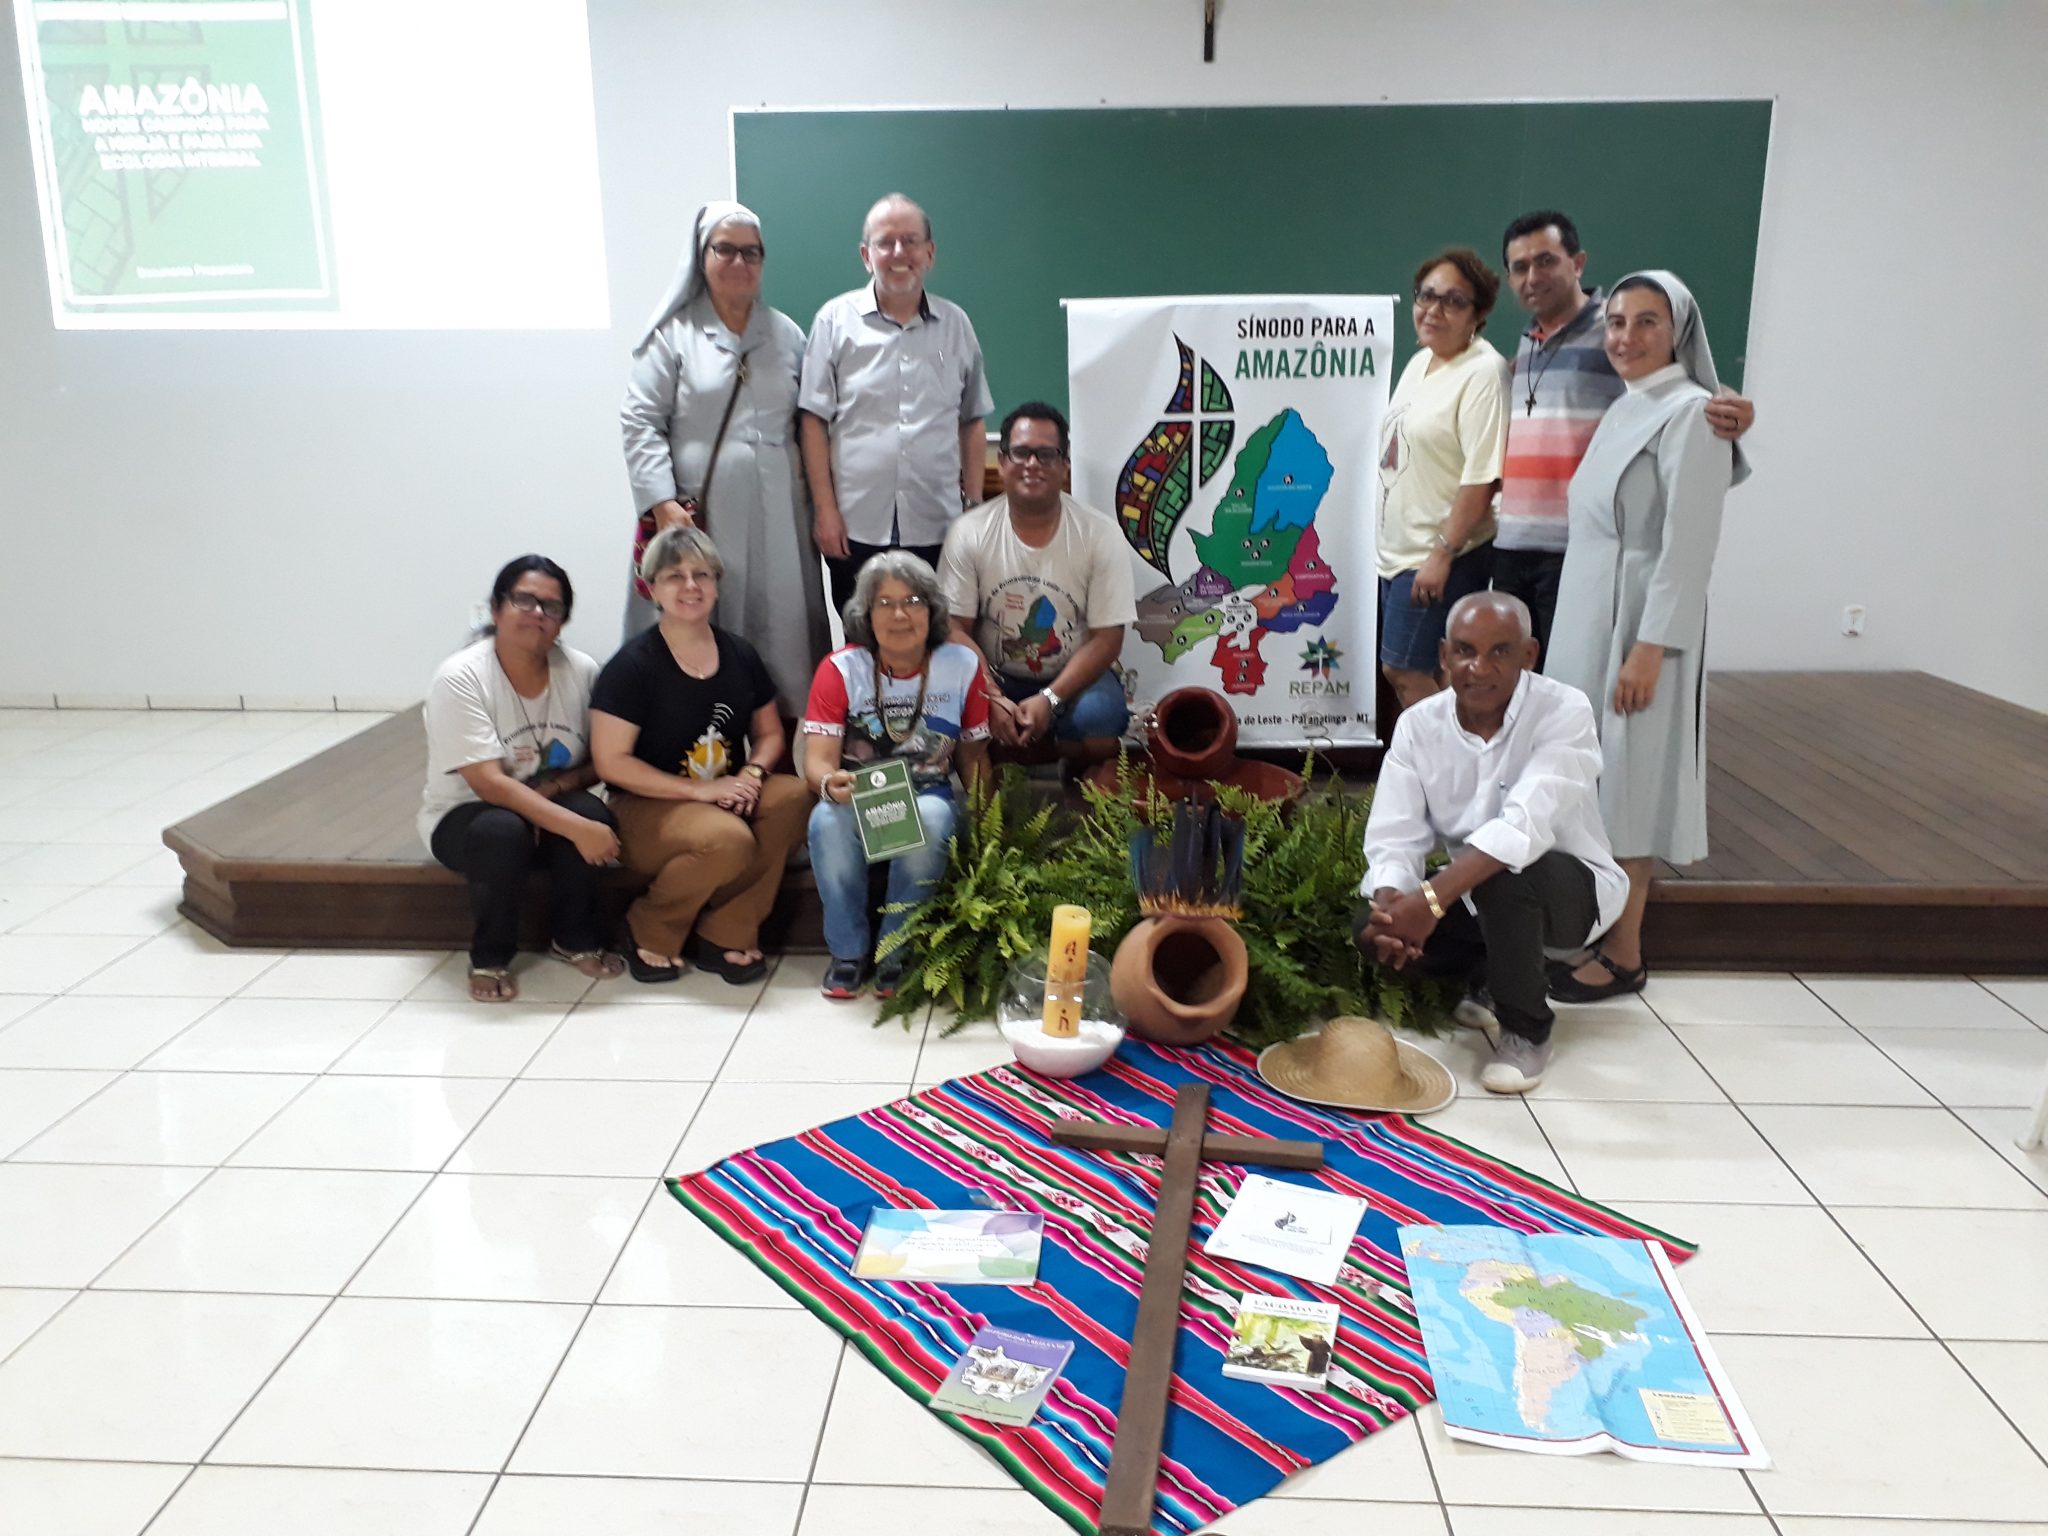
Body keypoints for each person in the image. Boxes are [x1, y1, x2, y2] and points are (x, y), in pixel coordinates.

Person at [1545, 272, 1736, 1003]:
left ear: (1679, 331)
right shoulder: (1632, 406)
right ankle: (1589, 925)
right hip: (1590, 613)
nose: (1625, 336)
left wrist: (1651, 646)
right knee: (1593, 777)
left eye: (1646, 322)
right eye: (1616, 321)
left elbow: (1689, 546)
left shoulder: (1694, 414)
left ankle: (1625, 952)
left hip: (1637, 624)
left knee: (1631, 780)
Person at [1357, 592, 1627, 1094]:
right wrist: (1394, 902)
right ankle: (1489, 974)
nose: (1479, 668)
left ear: (1529, 655)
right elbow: (1395, 834)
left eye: (1499, 652)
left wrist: (1432, 900)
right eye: (1464, 651)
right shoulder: (1419, 726)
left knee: (1504, 877)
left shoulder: (1564, 711)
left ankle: (1527, 1030)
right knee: (1370, 928)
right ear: (1443, 656)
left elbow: (1523, 827)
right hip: (1476, 896)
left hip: (1570, 893)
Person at [1494, 210, 1754, 666]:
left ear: (1577, 263)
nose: (1532, 276)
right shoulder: (1527, 342)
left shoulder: (1614, 328)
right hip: (1514, 543)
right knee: (1524, 687)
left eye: (1546, 260)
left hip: (1580, 549)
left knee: (1571, 689)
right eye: (1520, 267)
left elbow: (1685, 386)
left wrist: (1734, 407)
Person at [620, 200, 829, 716]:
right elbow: (639, 420)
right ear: (702, 256)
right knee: (706, 610)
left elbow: (811, 422)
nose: (740, 263)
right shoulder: (674, 336)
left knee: (782, 621)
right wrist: (663, 503)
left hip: (780, 508)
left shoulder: (787, 335)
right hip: (700, 509)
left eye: (751, 253)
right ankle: (697, 727)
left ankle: (781, 730)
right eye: (726, 250)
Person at [590, 526, 810, 986]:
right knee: (729, 838)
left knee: (791, 796)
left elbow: (769, 734)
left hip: (722, 796)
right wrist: (703, 791)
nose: (690, 586)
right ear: (651, 587)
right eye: (674, 576)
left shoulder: (739, 653)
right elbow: (612, 763)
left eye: (701, 574)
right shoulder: (631, 666)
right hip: (645, 807)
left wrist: (751, 773)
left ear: (717, 582)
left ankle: (727, 931)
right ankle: (650, 926)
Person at [419, 556, 623, 1002]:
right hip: (466, 815)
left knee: (590, 808)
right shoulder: (461, 678)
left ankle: (574, 939)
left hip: (545, 802)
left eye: (552, 607)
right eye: (524, 601)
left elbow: (601, 760)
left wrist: (556, 791)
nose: (537, 614)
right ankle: (490, 956)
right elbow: (488, 784)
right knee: (503, 830)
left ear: (563, 620)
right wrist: (572, 826)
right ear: (496, 610)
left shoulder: (582, 671)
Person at [803, 551, 990, 1000]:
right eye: (884, 603)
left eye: (913, 601)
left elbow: (974, 756)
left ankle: (896, 951)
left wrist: (988, 819)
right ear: (865, 614)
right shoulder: (840, 669)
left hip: (929, 794)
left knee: (931, 819)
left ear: (933, 610)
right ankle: (848, 953)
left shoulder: (962, 666)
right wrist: (830, 784)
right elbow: (818, 761)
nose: (899, 614)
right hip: (858, 797)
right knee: (824, 822)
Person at [799, 193, 993, 615]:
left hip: (938, 523)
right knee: (863, 640)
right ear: (867, 255)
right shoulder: (833, 322)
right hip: (855, 524)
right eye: (886, 243)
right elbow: (813, 422)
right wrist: (825, 511)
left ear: (930, 252)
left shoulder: (956, 325)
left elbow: (972, 419)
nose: (899, 253)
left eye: (910, 241)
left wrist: (973, 509)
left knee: (933, 641)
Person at [939, 402, 1134, 764]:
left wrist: (1050, 698)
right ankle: (992, 807)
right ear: (1003, 461)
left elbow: (1108, 638)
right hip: (996, 676)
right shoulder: (968, 532)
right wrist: (992, 695)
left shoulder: (1100, 534)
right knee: (955, 707)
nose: (1033, 464)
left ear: (1065, 467)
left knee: (1099, 719)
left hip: (1074, 680)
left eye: (1047, 454)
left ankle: (1080, 793)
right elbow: (954, 629)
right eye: (1022, 452)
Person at [1376, 248, 1511, 710]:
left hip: (1441, 555)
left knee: (1406, 671)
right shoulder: (1421, 363)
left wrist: (1442, 555)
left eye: (1453, 301)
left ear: (1479, 313)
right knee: (1428, 672)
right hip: (1399, 554)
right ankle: (1449, 773)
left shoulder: (1483, 372)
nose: (1433, 309)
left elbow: (1482, 477)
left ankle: (1454, 775)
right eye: (1426, 296)